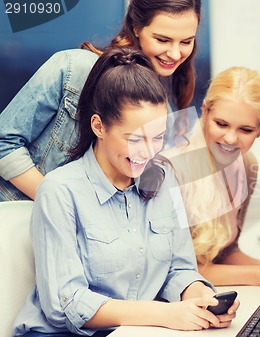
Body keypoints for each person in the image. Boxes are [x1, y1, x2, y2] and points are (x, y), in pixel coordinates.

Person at [12, 47, 238, 337]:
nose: (147, 152)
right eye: (134, 139)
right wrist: (164, 314)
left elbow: (179, 270)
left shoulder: (164, 179)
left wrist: (200, 300)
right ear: (99, 126)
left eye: (157, 137)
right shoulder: (59, 191)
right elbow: (65, 302)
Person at [0, 0, 201, 201]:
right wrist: (59, 203)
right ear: (136, 27)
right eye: (163, 40)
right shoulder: (74, 69)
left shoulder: (162, 114)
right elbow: (4, 142)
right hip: (15, 220)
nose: (175, 53)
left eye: (186, 42)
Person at [162, 66, 260, 290]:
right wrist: (258, 274)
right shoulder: (172, 171)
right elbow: (176, 271)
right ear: (205, 112)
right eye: (221, 124)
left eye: (245, 130)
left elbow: (226, 253)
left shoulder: (248, 165)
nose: (230, 139)